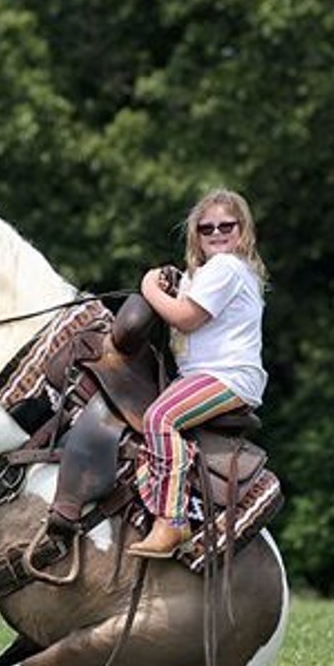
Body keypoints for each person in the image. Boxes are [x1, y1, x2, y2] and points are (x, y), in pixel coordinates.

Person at [127, 188, 269, 559]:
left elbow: (186, 318)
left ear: (243, 231)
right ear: (197, 235)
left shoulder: (228, 266)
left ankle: (172, 520)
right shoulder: (206, 274)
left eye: (227, 225)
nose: (218, 233)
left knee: (160, 418)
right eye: (207, 228)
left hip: (226, 375)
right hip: (204, 375)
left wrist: (147, 287)